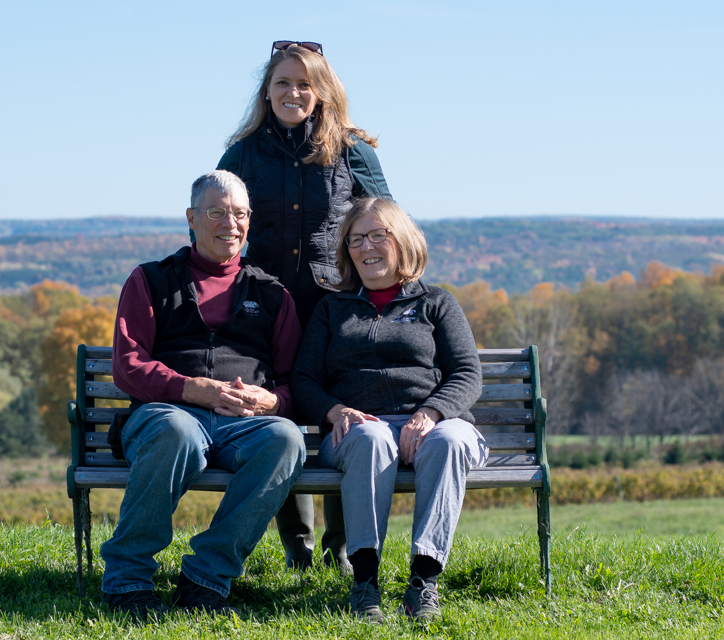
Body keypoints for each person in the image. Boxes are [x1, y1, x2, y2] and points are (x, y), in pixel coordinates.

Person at [217, 40, 392, 571]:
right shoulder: (242, 153)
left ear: (322, 92)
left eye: (303, 84)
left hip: (337, 304)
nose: (292, 92)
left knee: (345, 408)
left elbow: (386, 224)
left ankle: (343, 545)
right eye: (282, 84)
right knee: (278, 408)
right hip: (263, 305)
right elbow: (221, 222)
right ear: (266, 93)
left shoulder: (353, 152)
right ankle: (298, 544)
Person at [100, 170, 306, 619]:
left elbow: (295, 382)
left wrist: (274, 402)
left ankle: (206, 577)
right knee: (178, 431)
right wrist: (193, 389)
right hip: (165, 415)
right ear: (191, 218)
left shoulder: (273, 294)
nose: (229, 223)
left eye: (239, 214)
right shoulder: (151, 281)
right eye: (216, 212)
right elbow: (127, 366)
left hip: (244, 425)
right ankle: (128, 578)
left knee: (286, 440)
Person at [291, 197, 489, 622]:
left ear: (401, 240)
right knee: (371, 436)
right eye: (356, 239)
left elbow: (468, 373)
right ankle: (365, 584)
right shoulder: (332, 309)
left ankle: (423, 583)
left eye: (378, 235)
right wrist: (335, 411)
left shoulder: (436, 302)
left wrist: (432, 413)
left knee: (452, 440)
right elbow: (303, 380)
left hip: (432, 424)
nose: (366, 247)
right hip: (357, 430)